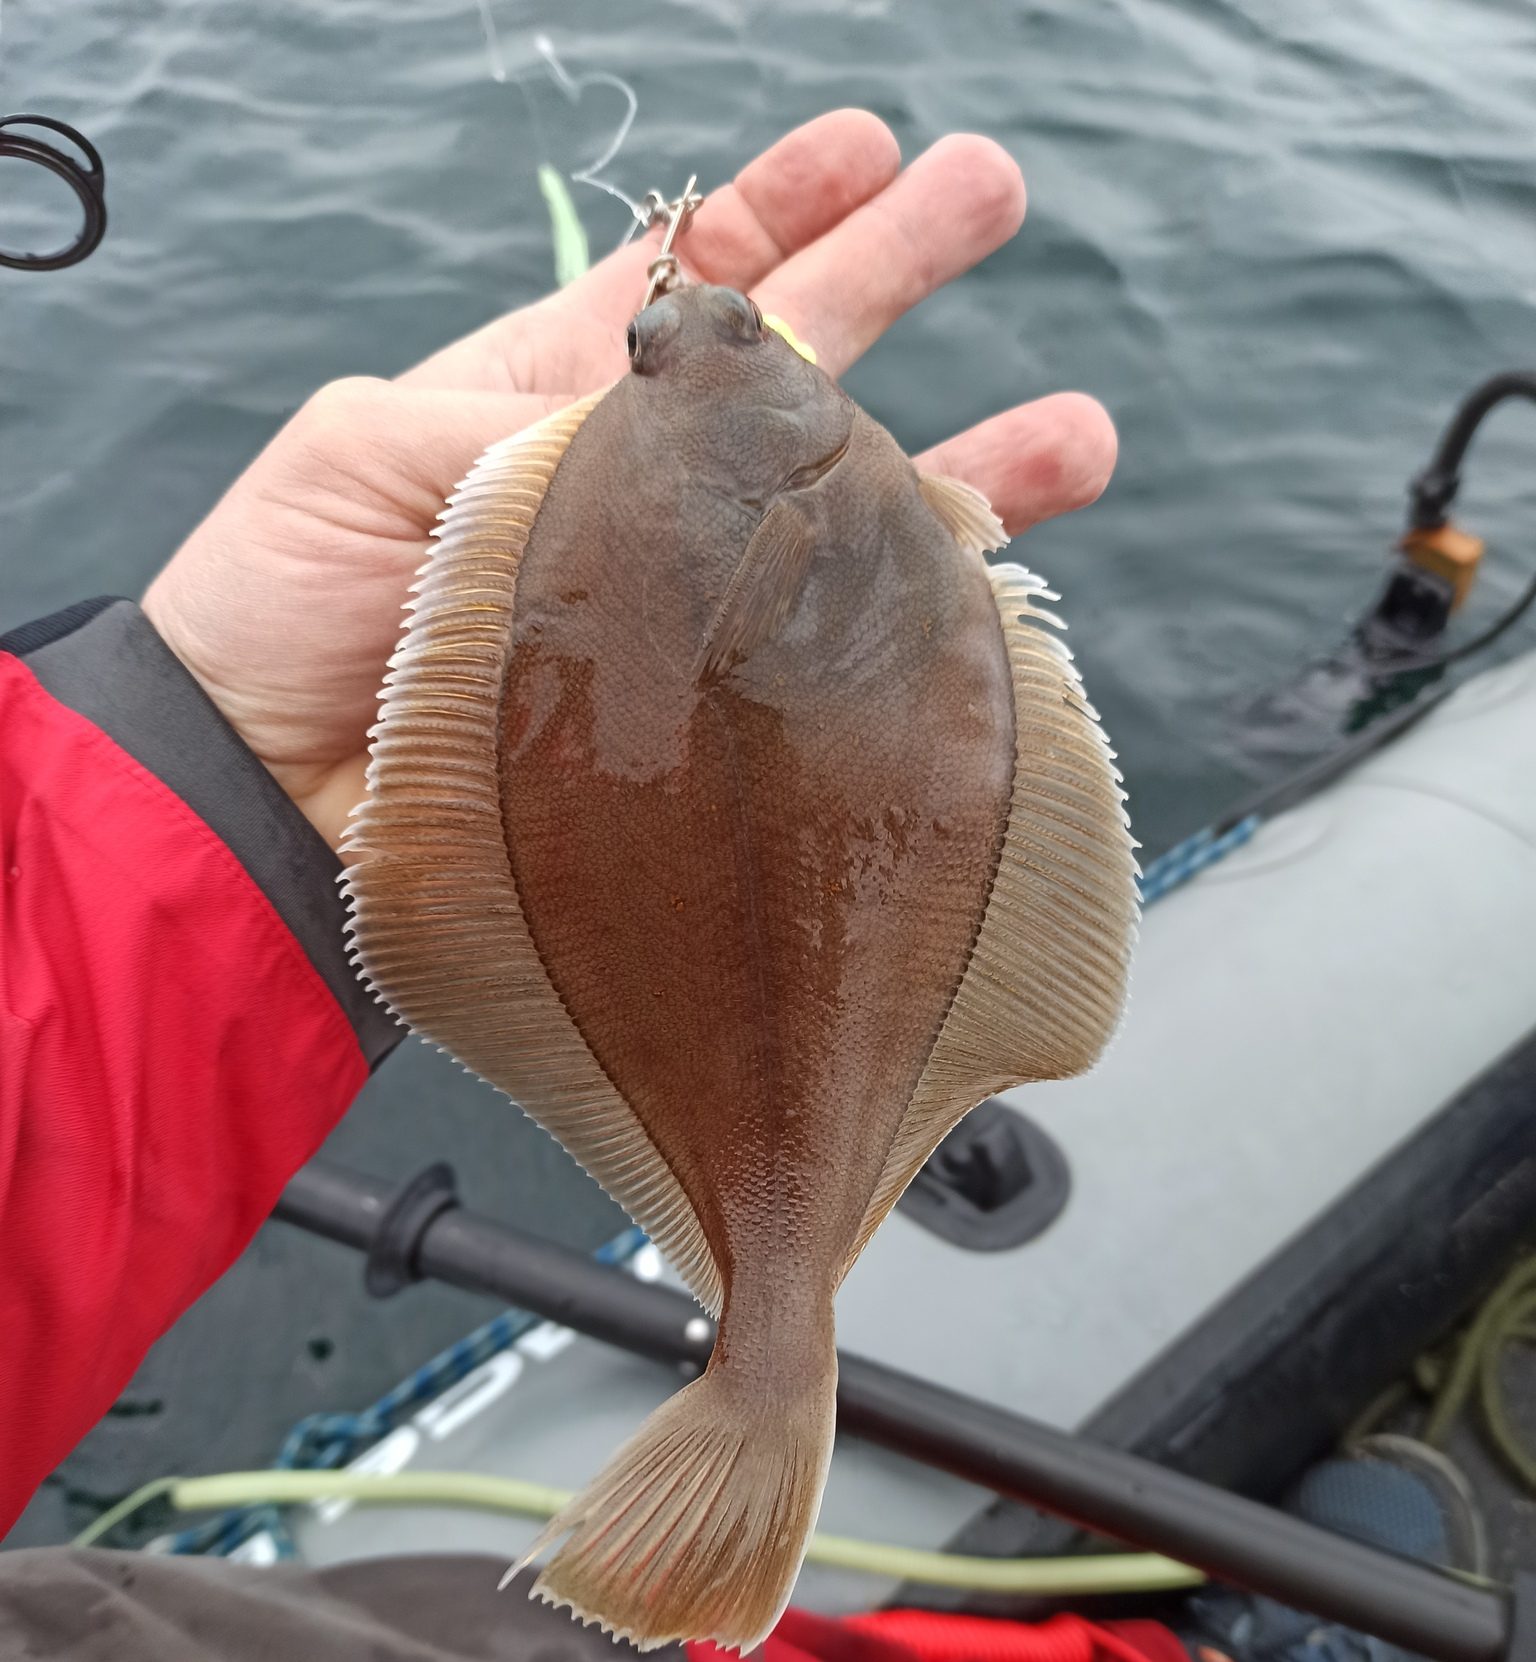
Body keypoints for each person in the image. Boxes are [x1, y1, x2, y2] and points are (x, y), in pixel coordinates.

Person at [0, 110, 1116, 1541]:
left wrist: (204, 747)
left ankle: (761, 1352)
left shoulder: (603, 475)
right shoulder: (812, 476)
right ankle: (770, 1352)